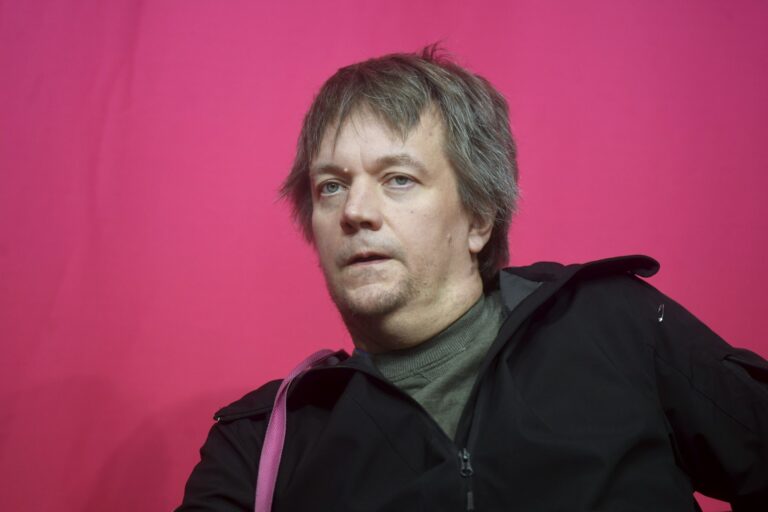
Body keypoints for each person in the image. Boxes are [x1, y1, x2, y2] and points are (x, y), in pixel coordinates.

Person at [176, 47, 768, 511]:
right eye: (331, 186)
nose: (354, 211)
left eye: (398, 178)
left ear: (480, 217)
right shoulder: (260, 442)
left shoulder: (615, 324)